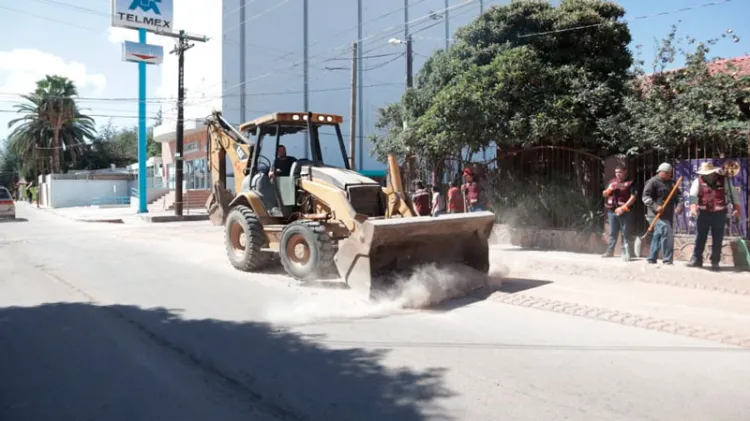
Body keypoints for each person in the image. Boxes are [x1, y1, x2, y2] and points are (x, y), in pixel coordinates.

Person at [687, 161, 740, 271]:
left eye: (708, 173)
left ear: (713, 172)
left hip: (720, 214)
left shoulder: (725, 180)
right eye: (704, 173)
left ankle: (715, 262)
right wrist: (692, 207)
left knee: (718, 239)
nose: (706, 175)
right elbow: (693, 195)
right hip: (703, 214)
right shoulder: (698, 181)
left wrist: (737, 209)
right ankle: (697, 259)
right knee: (700, 237)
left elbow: (734, 195)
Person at [642, 162, 683, 265]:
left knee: (658, 234)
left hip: (667, 215)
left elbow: (680, 197)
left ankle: (651, 258)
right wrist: (656, 206)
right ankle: (667, 259)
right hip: (654, 215)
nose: (670, 175)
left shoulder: (672, 183)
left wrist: (679, 206)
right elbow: (645, 198)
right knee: (666, 231)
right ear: (661, 172)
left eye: (670, 173)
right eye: (668, 173)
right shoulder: (652, 182)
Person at [602, 164, 637, 261]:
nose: (618, 174)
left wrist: (624, 207)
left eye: (620, 172)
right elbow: (604, 194)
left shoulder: (630, 182)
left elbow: (633, 197)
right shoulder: (612, 182)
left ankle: (626, 252)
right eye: (616, 172)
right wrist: (609, 189)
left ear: (625, 172)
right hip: (612, 211)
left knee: (625, 232)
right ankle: (610, 251)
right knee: (613, 232)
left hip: (625, 211)